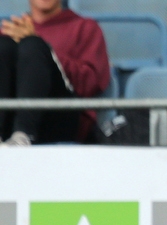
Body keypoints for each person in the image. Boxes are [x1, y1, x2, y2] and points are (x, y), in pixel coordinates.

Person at [0, 0, 109, 145]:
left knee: (33, 45)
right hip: (10, 121)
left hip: (60, 119)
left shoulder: (85, 27)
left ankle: (23, 136)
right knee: (4, 46)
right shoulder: (11, 30)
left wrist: (44, 47)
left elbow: (91, 83)